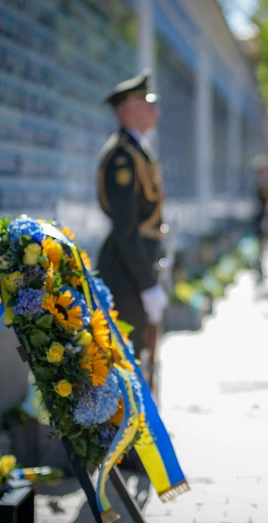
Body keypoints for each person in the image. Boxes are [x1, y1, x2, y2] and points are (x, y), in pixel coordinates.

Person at [96, 68, 168, 389]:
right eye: (150, 103)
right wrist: (147, 285)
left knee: (143, 360)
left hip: (138, 269)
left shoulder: (137, 151)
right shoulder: (122, 157)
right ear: (129, 109)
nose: (156, 111)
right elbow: (126, 230)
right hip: (127, 277)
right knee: (130, 365)